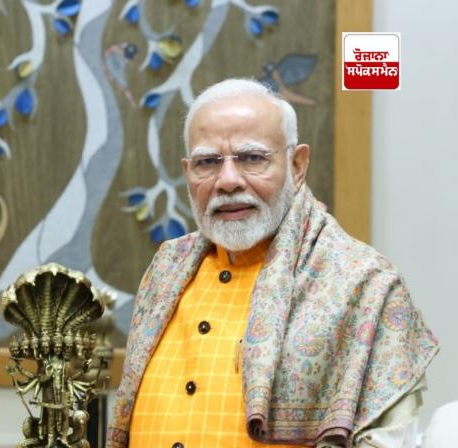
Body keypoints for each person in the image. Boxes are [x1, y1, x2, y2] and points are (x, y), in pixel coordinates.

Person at [107, 78, 438, 448]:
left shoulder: (366, 285)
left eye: (252, 158)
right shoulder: (166, 269)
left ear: (297, 165)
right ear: (188, 172)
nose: (227, 181)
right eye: (207, 162)